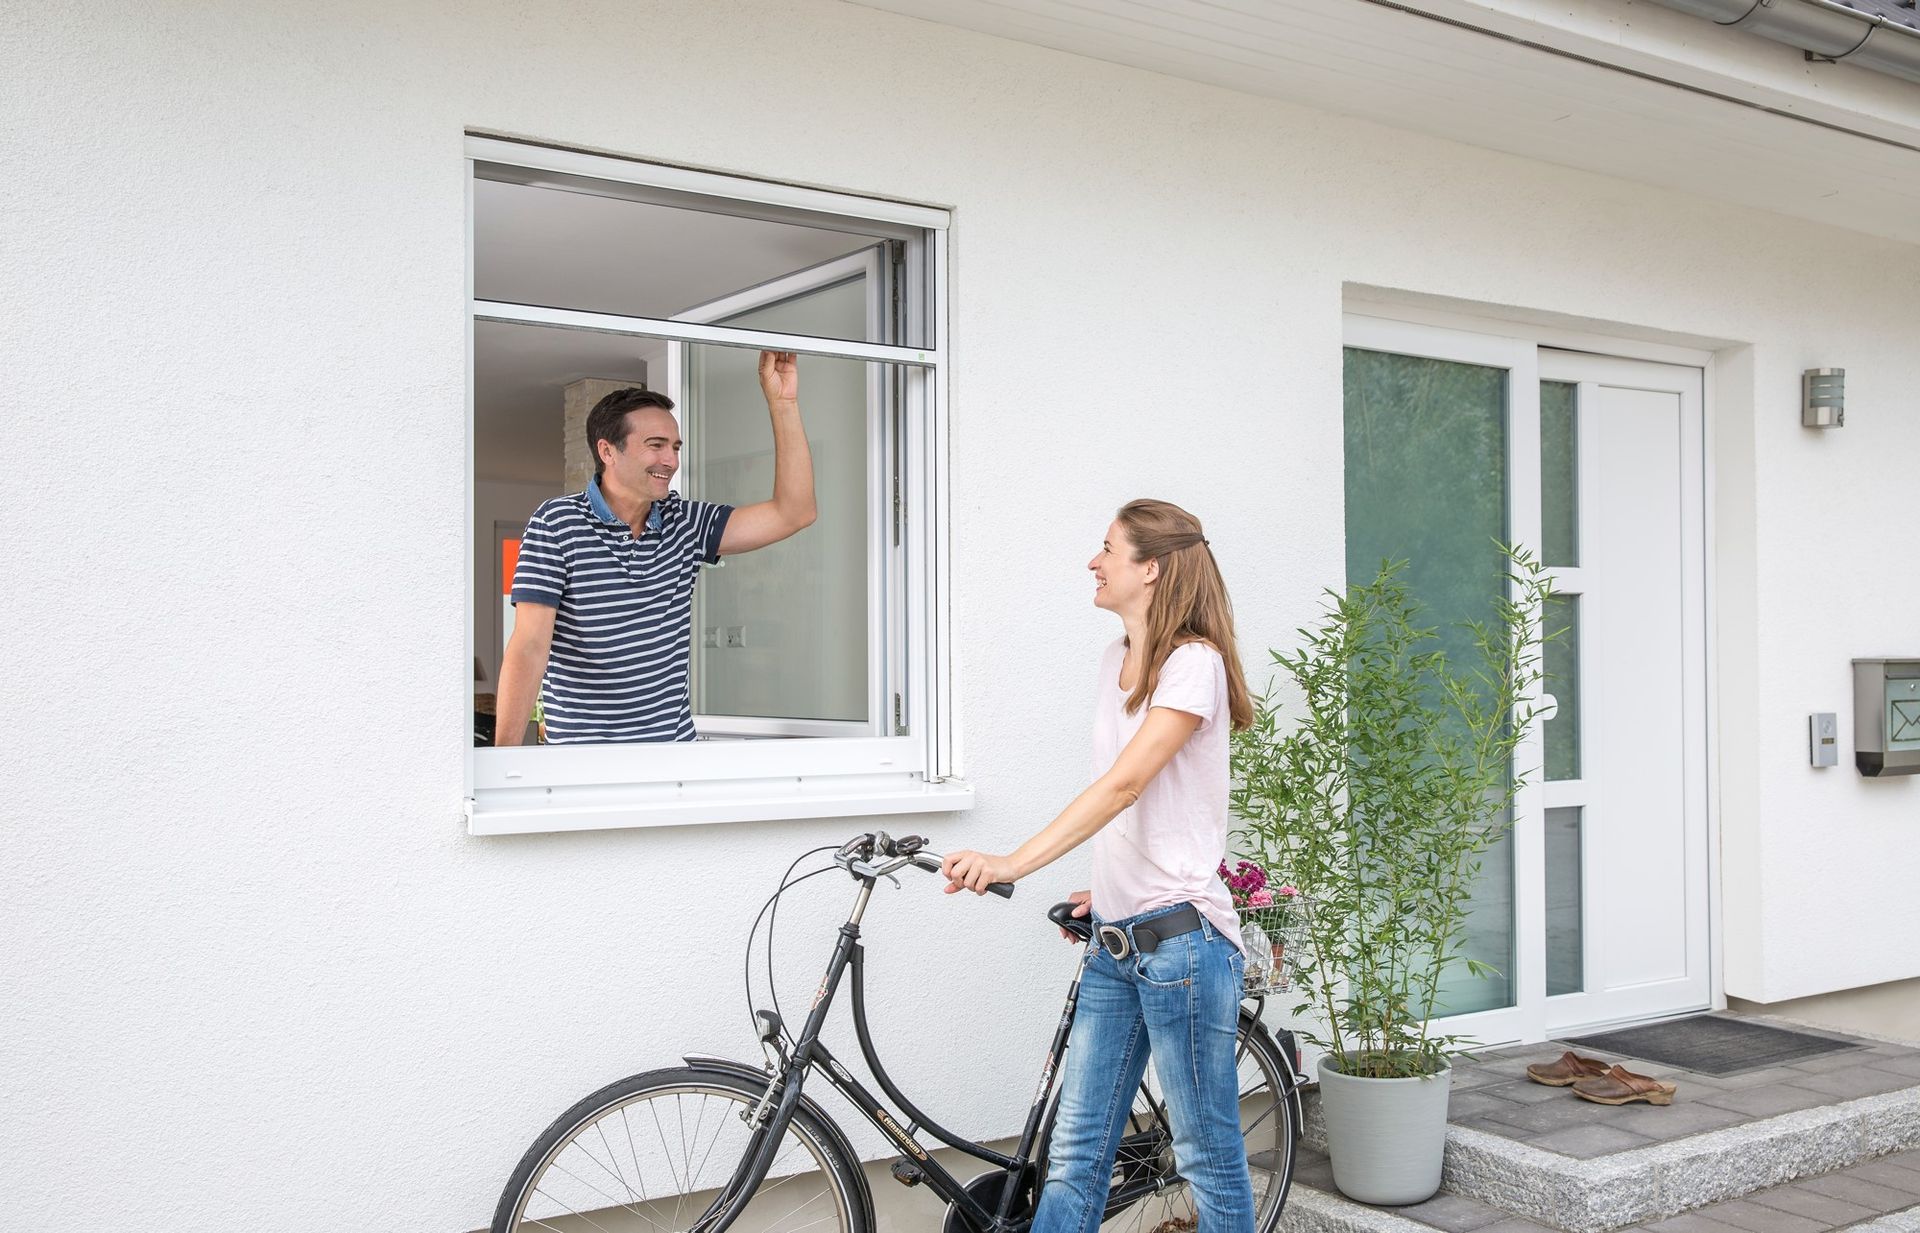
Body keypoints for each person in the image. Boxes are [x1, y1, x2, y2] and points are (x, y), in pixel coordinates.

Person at [942, 498, 1257, 1233]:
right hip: (1120, 943)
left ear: (1150, 568)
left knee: (1206, 1153)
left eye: (1107, 548)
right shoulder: (1115, 658)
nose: (1094, 560)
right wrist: (1110, 885)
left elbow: (1125, 784)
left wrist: (1011, 860)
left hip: (1182, 946)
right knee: (1077, 1150)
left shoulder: (1194, 664)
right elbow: (1143, 811)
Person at [494, 351, 816, 745]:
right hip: (581, 761)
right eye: (656, 445)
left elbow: (795, 512)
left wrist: (783, 404)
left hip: (673, 758)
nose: (670, 460)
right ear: (608, 451)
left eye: (675, 447)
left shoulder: (686, 522)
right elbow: (529, 647)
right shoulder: (557, 523)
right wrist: (503, 763)